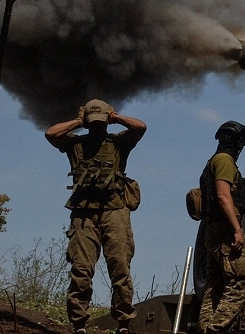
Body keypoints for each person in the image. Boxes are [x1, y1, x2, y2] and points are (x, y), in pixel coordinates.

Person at [45, 99, 146, 334]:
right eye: (93, 122)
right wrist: (79, 121)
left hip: (115, 210)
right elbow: (51, 134)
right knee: (81, 269)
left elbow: (140, 128)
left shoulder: (119, 142)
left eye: (101, 122)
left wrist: (117, 117)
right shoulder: (75, 144)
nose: (97, 127)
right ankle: (79, 323)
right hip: (83, 214)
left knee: (120, 266)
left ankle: (123, 322)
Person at [198, 121, 245, 333]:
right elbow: (223, 195)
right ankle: (215, 329)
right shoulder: (224, 161)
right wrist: (237, 229)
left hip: (213, 231)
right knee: (240, 283)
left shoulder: (214, 159)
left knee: (215, 286)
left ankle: (206, 328)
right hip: (225, 231)